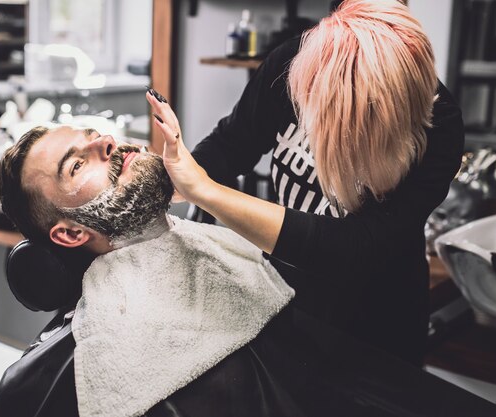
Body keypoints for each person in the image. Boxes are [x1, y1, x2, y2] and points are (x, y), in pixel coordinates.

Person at [148, 0, 464, 366]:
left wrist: (203, 190)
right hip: (284, 300)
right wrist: (160, 186)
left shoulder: (438, 123)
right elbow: (231, 145)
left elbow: (360, 248)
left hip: (377, 329)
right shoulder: (293, 60)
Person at [0, 125, 296, 417]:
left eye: (95, 135)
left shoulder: (227, 249)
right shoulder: (88, 361)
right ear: (72, 234)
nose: (108, 142)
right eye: (76, 165)